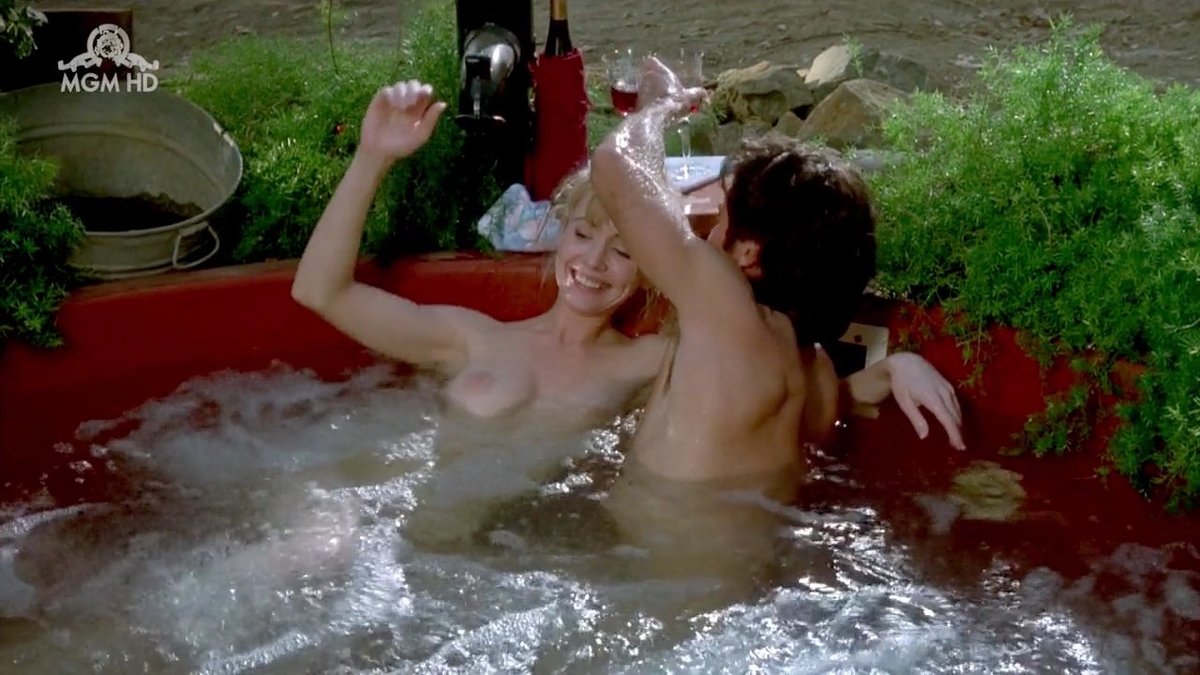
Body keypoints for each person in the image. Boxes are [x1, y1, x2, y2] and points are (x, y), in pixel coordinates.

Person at [588, 58, 964, 609]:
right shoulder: (816, 375)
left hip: (655, 589)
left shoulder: (727, 316)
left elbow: (615, 169)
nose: (707, 228)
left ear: (747, 252)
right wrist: (891, 370)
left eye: (721, 216)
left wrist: (659, 108)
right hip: (746, 593)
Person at [291, 80, 668, 545]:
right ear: (560, 234)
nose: (593, 261)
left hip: (504, 553)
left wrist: (656, 115)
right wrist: (372, 158)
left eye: (623, 251)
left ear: (651, 270)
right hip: (389, 527)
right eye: (583, 235)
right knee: (309, 548)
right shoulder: (473, 338)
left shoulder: (647, 361)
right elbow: (320, 291)